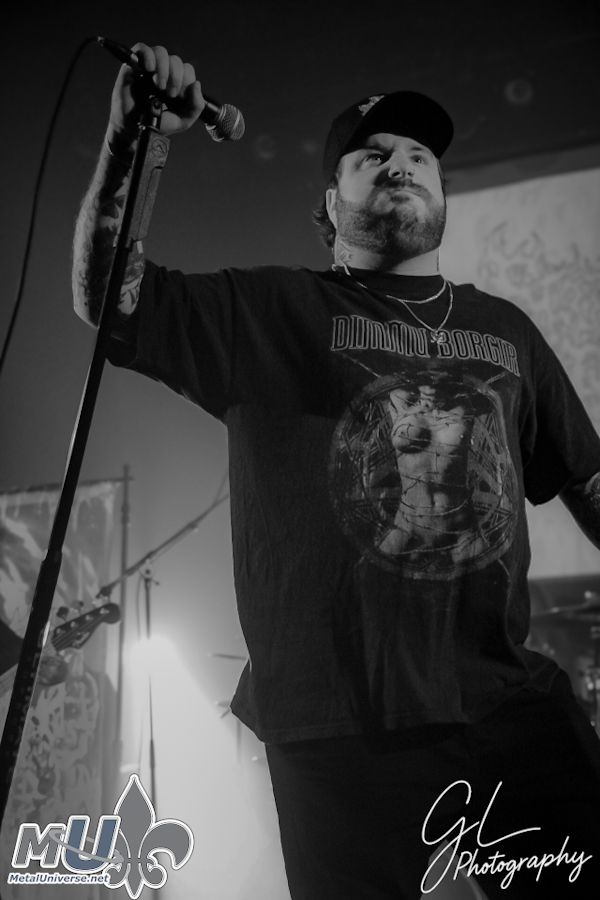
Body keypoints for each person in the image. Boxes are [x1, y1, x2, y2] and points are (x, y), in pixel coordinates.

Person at [72, 43, 600, 900]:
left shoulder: (508, 330)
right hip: (338, 725)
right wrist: (132, 140)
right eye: (371, 155)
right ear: (329, 205)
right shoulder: (272, 309)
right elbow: (111, 301)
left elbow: (585, 475)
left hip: (505, 703)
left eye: (419, 154)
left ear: (443, 193)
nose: (400, 163)